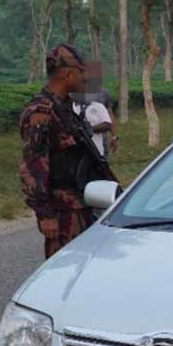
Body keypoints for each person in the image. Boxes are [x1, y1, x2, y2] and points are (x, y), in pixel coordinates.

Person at [19, 44, 117, 259]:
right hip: (63, 211)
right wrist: (45, 215)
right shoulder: (41, 112)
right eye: (82, 72)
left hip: (81, 203)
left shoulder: (65, 108)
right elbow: (33, 167)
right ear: (68, 73)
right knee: (65, 271)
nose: (86, 78)